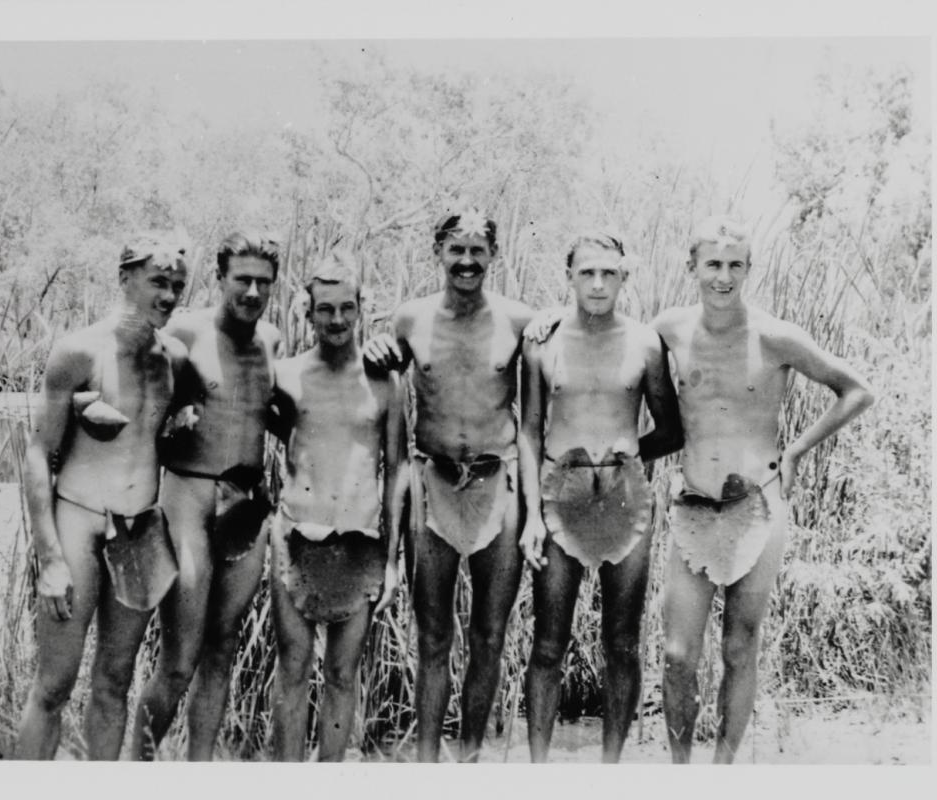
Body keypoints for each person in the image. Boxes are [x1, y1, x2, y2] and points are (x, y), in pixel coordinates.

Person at [654, 216, 874, 763]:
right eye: (712, 265)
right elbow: (608, 344)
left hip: (759, 505)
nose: (723, 277)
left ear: (749, 269)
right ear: (693, 268)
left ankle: (724, 773)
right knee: (678, 652)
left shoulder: (776, 335)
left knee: (738, 646)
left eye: (735, 265)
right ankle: (680, 776)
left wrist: (797, 450)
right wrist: (546, 325)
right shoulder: (668, 330)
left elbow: (857, 390)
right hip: (694, 506)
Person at [363, 208, 534, 762]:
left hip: (496, 481)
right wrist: (371, 348)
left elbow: (536, 413)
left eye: (477, 251)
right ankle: (428, 764)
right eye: (455, 250)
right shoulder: (410, 320)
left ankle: (470, 761)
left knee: (489, 635)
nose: (466, 262)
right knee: (433, 638)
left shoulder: (520, 321)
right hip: (432, 480)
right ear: (437, 252)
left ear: (493, 255)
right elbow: (380, 383)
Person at [15, 235, 190, 760]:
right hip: (78, 522)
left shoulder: (174, 358)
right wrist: (49, 558)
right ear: (125, 278)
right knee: (54, 685)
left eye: (178, 286)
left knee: (115, 681)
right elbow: (37, 454)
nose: (169, 295)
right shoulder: (78, 351)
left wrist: (183, 424)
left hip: (139, 531)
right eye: (159, 282)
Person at [517, 231, 683, 762]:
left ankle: (611, 771)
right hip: (559, 494)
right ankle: (538, 771)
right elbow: (529, 429)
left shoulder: (644, 343)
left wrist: (626, 461)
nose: (596, 283)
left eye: (607, 273)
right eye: (586, 272)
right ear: (569, 276)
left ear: (623, 278)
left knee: (622, 642)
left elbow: (671, 428)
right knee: (548, 643)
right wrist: (532, 515)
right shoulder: (542, 341)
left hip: (622, 497)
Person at [132, 230, 282, 761]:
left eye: (263, 282)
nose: (252, 291)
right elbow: (140, 401)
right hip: (189, 498)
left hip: (246, 503)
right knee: (180, 656)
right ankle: (136, 767)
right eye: (242, 279)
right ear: (221, 278)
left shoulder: (272, 340)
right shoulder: (184, 334)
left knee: (222, 649)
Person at [265, 252, 407, 762]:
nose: (338, 320)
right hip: (297, 539)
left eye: (347, 307)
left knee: (343, 674)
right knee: (293, 669)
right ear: (307, 311)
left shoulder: (385, 383)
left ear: (361, 308)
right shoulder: (283, 375)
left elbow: (398, 470)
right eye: (325, 309)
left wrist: (392, 561)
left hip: (360, 544)